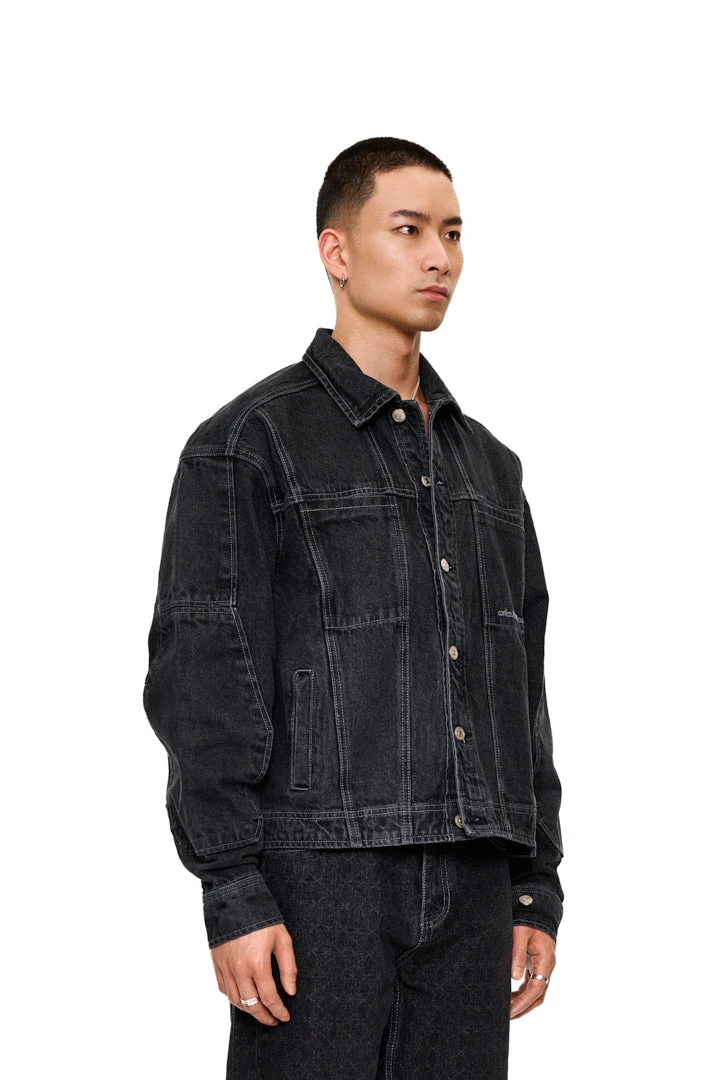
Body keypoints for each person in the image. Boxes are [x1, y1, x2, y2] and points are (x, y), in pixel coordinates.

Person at [142, 136, 565, 1079]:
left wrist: (534, 881)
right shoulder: (249, 445)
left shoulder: (492, 472)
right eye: (408, 230)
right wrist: (233, 886)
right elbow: (205, 678)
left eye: (453, 233)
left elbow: (520, 688)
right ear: (336, 251)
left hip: (475, 876)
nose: (439, 257)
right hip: (320, 876)